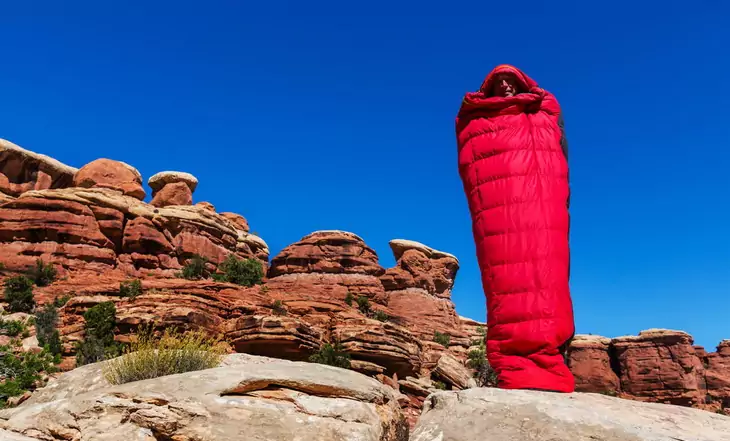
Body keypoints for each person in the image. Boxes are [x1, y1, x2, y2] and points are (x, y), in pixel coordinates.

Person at [455, 64, 575, 393]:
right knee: (506, 280)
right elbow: (471, 155)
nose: (506, 88)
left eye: (512, 82)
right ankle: (515, 365)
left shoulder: (543, 109)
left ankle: (548, 360)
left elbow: (559, 147)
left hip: (540, 202)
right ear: (488, 91)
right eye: (499, 84)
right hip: (500, 206)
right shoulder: (477, 119)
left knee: (547, 275)